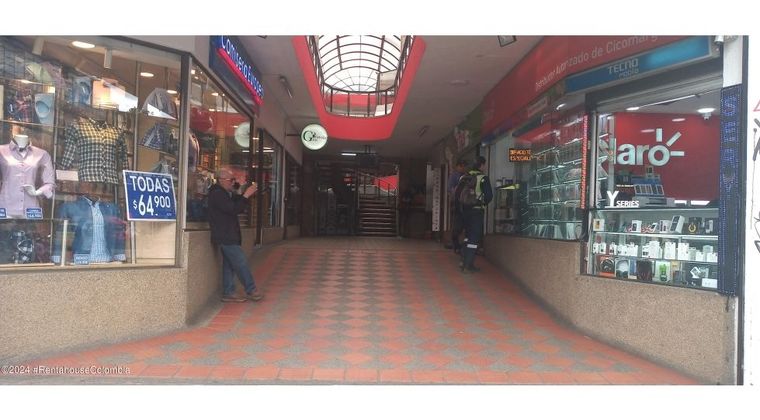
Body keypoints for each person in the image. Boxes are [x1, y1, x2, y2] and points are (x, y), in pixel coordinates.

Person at [207, 168, 264, 303]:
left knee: (230, 265)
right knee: (240, 263)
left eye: (234, 180)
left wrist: (244, 194)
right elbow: (233, 209)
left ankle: (228, 292)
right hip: (225, 235)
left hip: (228, 234)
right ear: (221, 180)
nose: (233, 182)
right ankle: (251, 289)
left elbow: (238, 205)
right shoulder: (217, 194)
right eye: (231, 180)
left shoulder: (225, 193)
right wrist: (245, 196)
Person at [458, 156, 493, 273]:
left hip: (464, 211)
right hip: (476, 211)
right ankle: (467, 266)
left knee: (467, 236)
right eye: (484, 165)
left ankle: (464, 261)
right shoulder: (483, 178)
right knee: (474, 237)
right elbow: (489, 196)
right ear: (481, 165)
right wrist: (482, 203)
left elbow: (458, 194)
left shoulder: (464, 177)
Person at [446, 158, 468, 253]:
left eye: (465, 166)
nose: (463, 168)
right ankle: (455, 244)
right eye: (461, 166)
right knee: (456, 223)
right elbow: (449, 189)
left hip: (465, 203)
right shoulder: (454, 176)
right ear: (457, 166)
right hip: (457, 203)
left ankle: (462, 244)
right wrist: (457, 192)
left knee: (464, 224)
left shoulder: (466, 176)